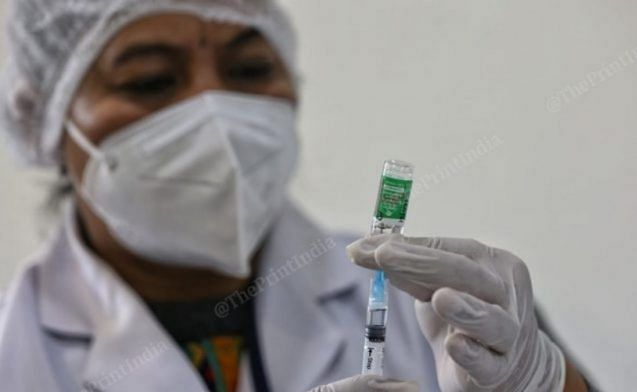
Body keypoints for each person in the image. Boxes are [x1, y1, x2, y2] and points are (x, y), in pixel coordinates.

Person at [0, 1, 596, 391]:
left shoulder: (443, 307)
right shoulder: (15, 351)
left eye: (251, 69)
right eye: (151, 80)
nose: (216, 117)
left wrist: (541, 383)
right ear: (41, 123)